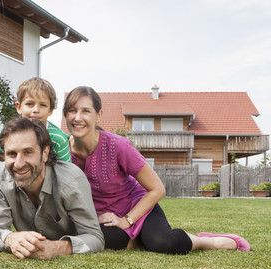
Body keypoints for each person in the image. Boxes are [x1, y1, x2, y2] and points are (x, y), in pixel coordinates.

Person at [63, 86, 251, 254]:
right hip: (104, 215)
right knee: (105, 240)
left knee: (163, 243)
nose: (78, 118)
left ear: (98, 114)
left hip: (136, 206)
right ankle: (137, 239)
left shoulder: (118, 146)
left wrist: (126, 221)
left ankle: (207, 241)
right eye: (72, 111)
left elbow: (158, 189)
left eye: (85, 111)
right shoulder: (62, 150)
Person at [0, 117, 104, 259]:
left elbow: (95, 237)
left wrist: (60, 247)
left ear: (45, 153)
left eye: (28, 152)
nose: (18, 163)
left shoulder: (72, 180)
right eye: (11, 154)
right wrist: (10, 238)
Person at [0, 77, 71, 162]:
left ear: (50, 110)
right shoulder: (8, 132)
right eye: (30, 104)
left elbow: (67, 170)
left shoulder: (58, 139)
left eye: (43, 105)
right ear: (19, 107)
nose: (36, 110)